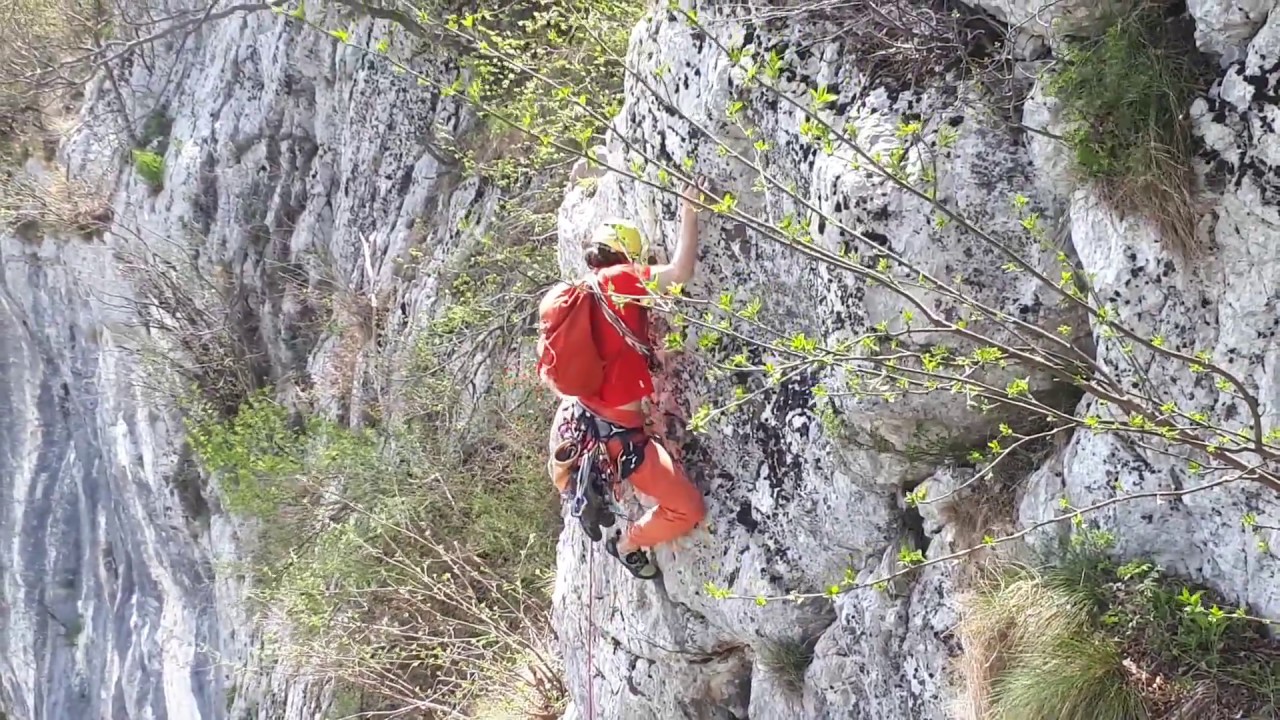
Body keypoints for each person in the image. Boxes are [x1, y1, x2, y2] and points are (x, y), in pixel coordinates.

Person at [545, 180, 708, 579]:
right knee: (687, 509)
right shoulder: (621, 281)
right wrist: (689, 212)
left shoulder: (572, 293)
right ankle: (630, 542)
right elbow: (679, 273)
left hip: (580, 420)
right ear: (629, 255)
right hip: (621, 436)